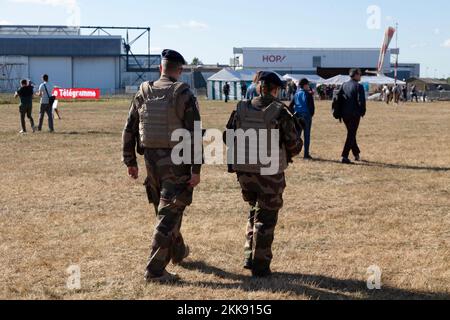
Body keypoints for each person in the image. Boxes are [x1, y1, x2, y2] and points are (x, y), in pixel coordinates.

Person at [122, 49, 202, 283]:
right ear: (179, 71)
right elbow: (195, 134)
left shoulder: (144, 91)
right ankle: (155, 271)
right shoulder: (183, 93)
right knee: (168, 215)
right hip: (176, 163)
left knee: (166, 210)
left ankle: (177, 252)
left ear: (161, 68)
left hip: (151, 163)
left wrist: (130, 161)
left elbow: (129, 127)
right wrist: (196, 170)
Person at [225, 71, 303, 277]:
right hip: (269, 173)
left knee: (254, 212)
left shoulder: (241, 108)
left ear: (260, 87)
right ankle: (260, 267)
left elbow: (227, 136)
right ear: (276, 89)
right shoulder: (280, 111)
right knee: (266, 218)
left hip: (244, 172)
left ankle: (249, 258)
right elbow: (294, 146)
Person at [337, 69, 366, 164]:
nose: (360, 76)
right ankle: (344, 156)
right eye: (360, 74)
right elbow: (361, 101)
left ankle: (356, 153)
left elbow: (339, 99)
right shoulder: (359, 86)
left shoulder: (344, 85)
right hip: (354, 115)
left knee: (351, 133)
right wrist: (362, 112)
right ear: (356, 75)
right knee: (351, 134)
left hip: (344, 115)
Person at [290, 78, 315, 159]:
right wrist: (311, 114)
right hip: (306, 116)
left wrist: (294, 113)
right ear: (305, 85)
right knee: (306, 135)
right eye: (308, 84)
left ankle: (293, 152)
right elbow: (312, 107)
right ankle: (306, 154)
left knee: (297, 135)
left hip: (297, 115)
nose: (309, 86)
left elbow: (290, 105)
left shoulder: (296, 94)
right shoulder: (308, 94)